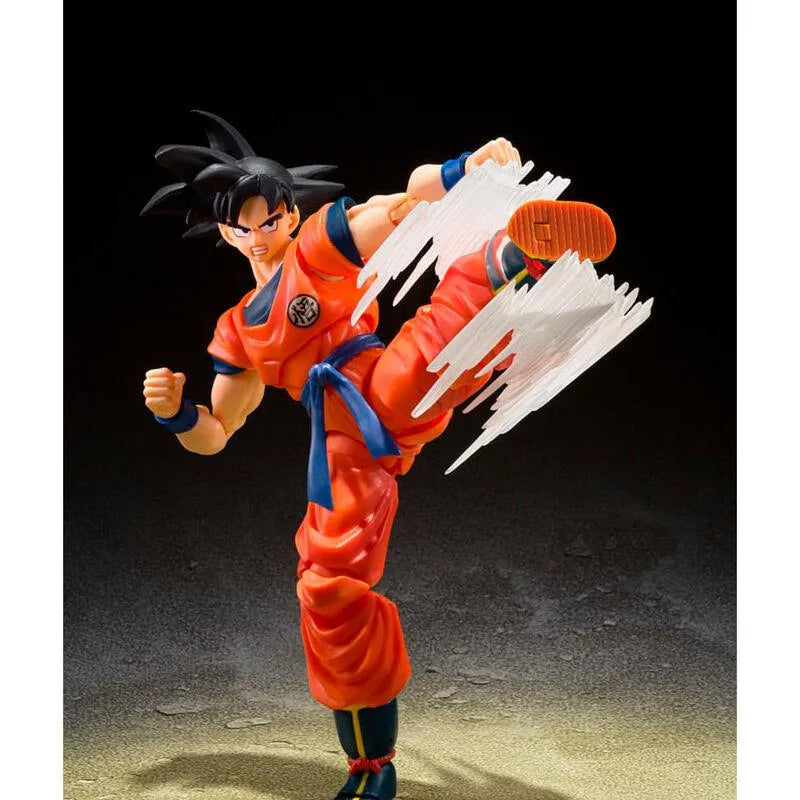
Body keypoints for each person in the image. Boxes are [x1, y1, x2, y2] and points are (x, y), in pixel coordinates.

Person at [141, 110, 615, 800]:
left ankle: (506, 261)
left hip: (378, 385)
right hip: (341, 449)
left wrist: (464, 169)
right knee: (325, 590)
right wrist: (175, 413)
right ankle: (370, 767)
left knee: (419, 365)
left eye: (270, 219)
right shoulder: (236, 329)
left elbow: (404, 204)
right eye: (242, 226)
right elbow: (218, 432)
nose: (259, 235)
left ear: (289, 215)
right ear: (224, 233)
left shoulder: (318, 250)